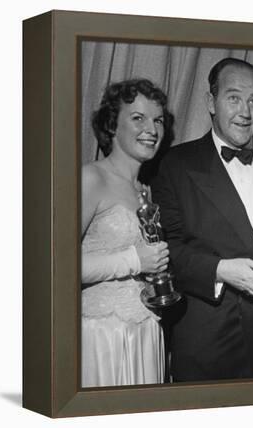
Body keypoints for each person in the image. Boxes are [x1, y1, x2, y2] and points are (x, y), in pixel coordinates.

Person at [151, 57, 253, 382]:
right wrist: (220, 270)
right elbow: (166, 249)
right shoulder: (175, 164)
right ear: (211, 101)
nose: (245, 112)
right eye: (233, 97)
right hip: (206, 342)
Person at [81, 78, 172, 387]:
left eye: (157, 119)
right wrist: (135, 261)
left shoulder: (145, 191)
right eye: (138, 118)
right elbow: (55, 266)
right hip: (102, 335)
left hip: (145, 333)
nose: (152, 129)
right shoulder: (91, 178)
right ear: (111, 126)